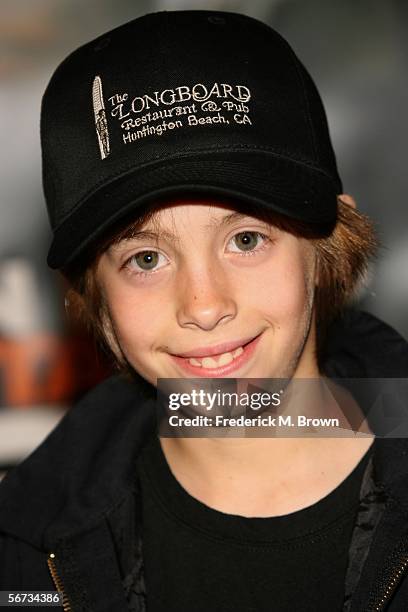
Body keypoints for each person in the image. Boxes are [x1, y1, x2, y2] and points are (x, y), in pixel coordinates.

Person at [1, 9, 408, 612]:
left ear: (327, 250)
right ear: (96, 296)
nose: (204, 306)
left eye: (246, 240)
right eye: (145, 259)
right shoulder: (25, 548)